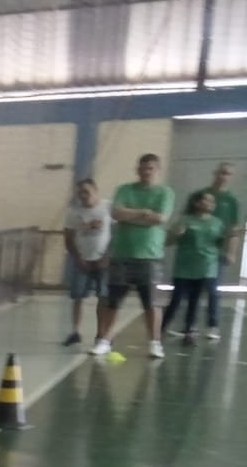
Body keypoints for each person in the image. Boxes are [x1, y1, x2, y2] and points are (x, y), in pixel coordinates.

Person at [90, 152, 174, 360]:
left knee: (151, 303)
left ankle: (155, 343)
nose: (146, 172)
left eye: (150, 168)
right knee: (113, 301)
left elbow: (160, 218)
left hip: (150, 256)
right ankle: (104, 341)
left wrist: (131, 215)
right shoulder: (124, 189)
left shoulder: (165, 193)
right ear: (137, 169)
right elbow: (116, 213)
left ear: (157, 170)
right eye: (142, 168)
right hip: (122, 255)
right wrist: (144, 213)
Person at [177, 162, 241, 341]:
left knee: (213, 289)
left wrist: (232, 252)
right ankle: (190, 325)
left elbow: (234, 229)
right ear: (215, 173)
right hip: (194, 251)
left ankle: (213, 324)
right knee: (192, 291)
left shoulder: (232, 201)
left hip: (216, 250)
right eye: (222, 172)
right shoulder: (200, 195)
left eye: (228, 174)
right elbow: (185, 218)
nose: (224, 176)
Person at [161, 190, 225, 346]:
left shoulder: (217, 223)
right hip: (185, 267)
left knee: (195, 299)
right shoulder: (185, 220)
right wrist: (177, 234)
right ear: (197, 203)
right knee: (176, 298)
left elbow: (219, 243)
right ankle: (161, 326)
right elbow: (167, 241)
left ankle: (189, 329)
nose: (211, 204)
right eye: (207, 200)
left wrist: (229, 238)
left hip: (207, 265)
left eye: (212, 201)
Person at [61, 177, 110, 347]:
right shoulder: (73, 212)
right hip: (82, 261)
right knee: (78, 296)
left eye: (86, 192)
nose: (83, 195)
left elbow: (117, 233)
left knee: (103, 297)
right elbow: (68, 238)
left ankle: (101, 333)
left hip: (103, 261)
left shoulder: (107, 208)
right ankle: (75, 331)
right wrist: (78, 258)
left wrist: (107, 256)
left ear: (96, 191)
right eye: (80, 193)